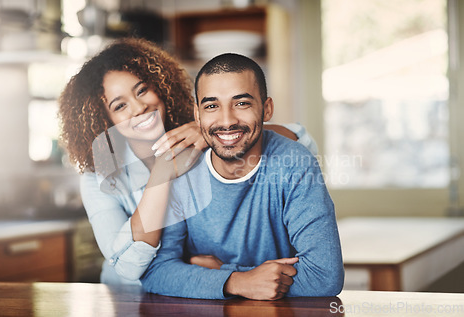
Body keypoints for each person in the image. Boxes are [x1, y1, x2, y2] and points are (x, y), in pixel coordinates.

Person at [58, 38, 317, 285]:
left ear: (160, 86)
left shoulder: (203, 138)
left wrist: (209, 131)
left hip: (202, 292)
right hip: (130, 299)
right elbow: (126, 266)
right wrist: (161, 174)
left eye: (142, 90)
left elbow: (302, 141)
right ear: (104, 120)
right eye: (119, 106)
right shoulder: (99, 176)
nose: (138, 107)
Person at [140, 53, 344, 300]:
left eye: (242, 103)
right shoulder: (181, 170)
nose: (227, 121)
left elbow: (325, 277)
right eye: (212, 106)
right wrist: (238, 282)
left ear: (266, 109)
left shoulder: (296, 164)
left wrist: (222, 273)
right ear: (197, 115)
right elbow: (156, 271)